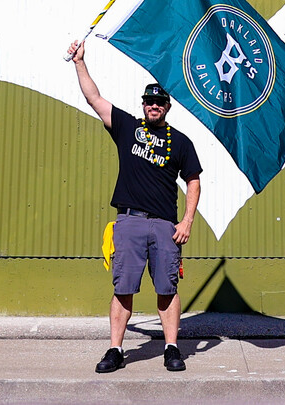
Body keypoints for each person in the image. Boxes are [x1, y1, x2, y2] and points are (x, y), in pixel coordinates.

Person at [67, 39, 201, 373]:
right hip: (129, 222)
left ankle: (172, 348)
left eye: (160, 103)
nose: (154, 106)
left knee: (167, 288)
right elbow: (94, 99)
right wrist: (79, 63)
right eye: (149, 101)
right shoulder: (128, 128)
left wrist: (186, 222)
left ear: (167, 107)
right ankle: (115, 350)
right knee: (123, 287)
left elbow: (194, 180)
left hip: (164, 226)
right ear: (143, 104)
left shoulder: (181, 142)